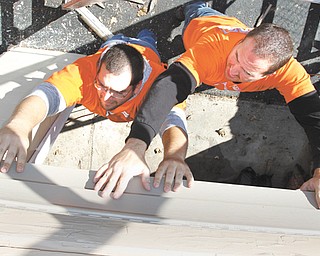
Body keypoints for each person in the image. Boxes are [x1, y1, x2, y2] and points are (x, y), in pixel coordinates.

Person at [96, 1, 320, 208]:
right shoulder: (213, 49)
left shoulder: (290, 74)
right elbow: (169, 86)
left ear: (273, 74)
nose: (233, 70)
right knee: (195, 15)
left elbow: (314, 118)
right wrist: (136, 144)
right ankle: (190, 8)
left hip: (211, 63)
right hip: (201, 26)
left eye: (247, 72)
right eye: (237, 56)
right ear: (243, 38)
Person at [0, 29, 194, 197]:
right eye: (101, 85)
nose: (106, 98)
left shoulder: (158, 86)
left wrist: (174, 156)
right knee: (114, 40)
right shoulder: (83, 71)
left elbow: (172, 119)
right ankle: (119, 39)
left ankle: (147, 36)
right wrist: (18, 125)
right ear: (98, 69)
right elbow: (46, 96)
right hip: (113, 46)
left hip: (145, 50)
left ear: (137, 88)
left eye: (119, 92)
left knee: (147, 40)